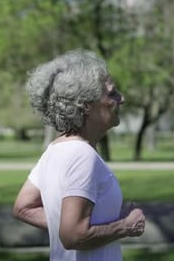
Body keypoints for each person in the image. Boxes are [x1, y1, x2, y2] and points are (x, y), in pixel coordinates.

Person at [12, 50, 145, 261]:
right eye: (112, 93)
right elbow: (73, 236)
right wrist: (126, 226)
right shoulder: (83, 156)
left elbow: (23, 207)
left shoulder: (54, 150)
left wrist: (72, 222)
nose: (122, 99)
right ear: (86, 105)